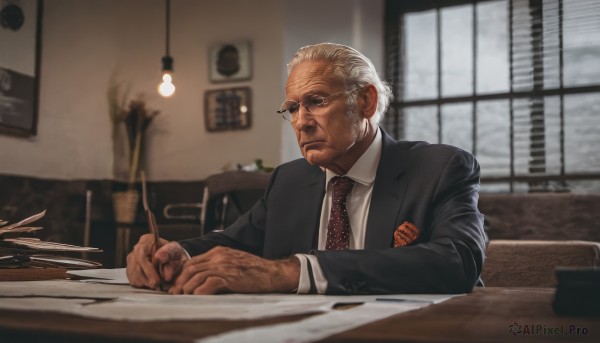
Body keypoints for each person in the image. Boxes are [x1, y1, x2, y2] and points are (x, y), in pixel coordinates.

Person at [127, 43, 487, 295]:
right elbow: (234, 242)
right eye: (293, 108)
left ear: (365, 101)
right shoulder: (288, 180)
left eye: (316, 101)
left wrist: (292, 271)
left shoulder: (440, 168)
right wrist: (176, 252)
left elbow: (458, 260)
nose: (301, 121)